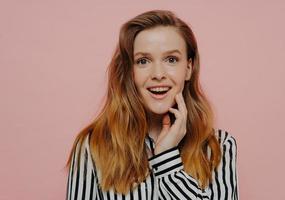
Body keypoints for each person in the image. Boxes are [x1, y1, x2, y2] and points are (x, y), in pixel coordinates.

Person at [65, 9, 239, 200]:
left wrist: (166, 158)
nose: (157, 74)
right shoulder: (93, 145)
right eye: (143, 61)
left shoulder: (219, 146)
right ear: (130, 71)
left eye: (171, 59)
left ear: (188, 68)